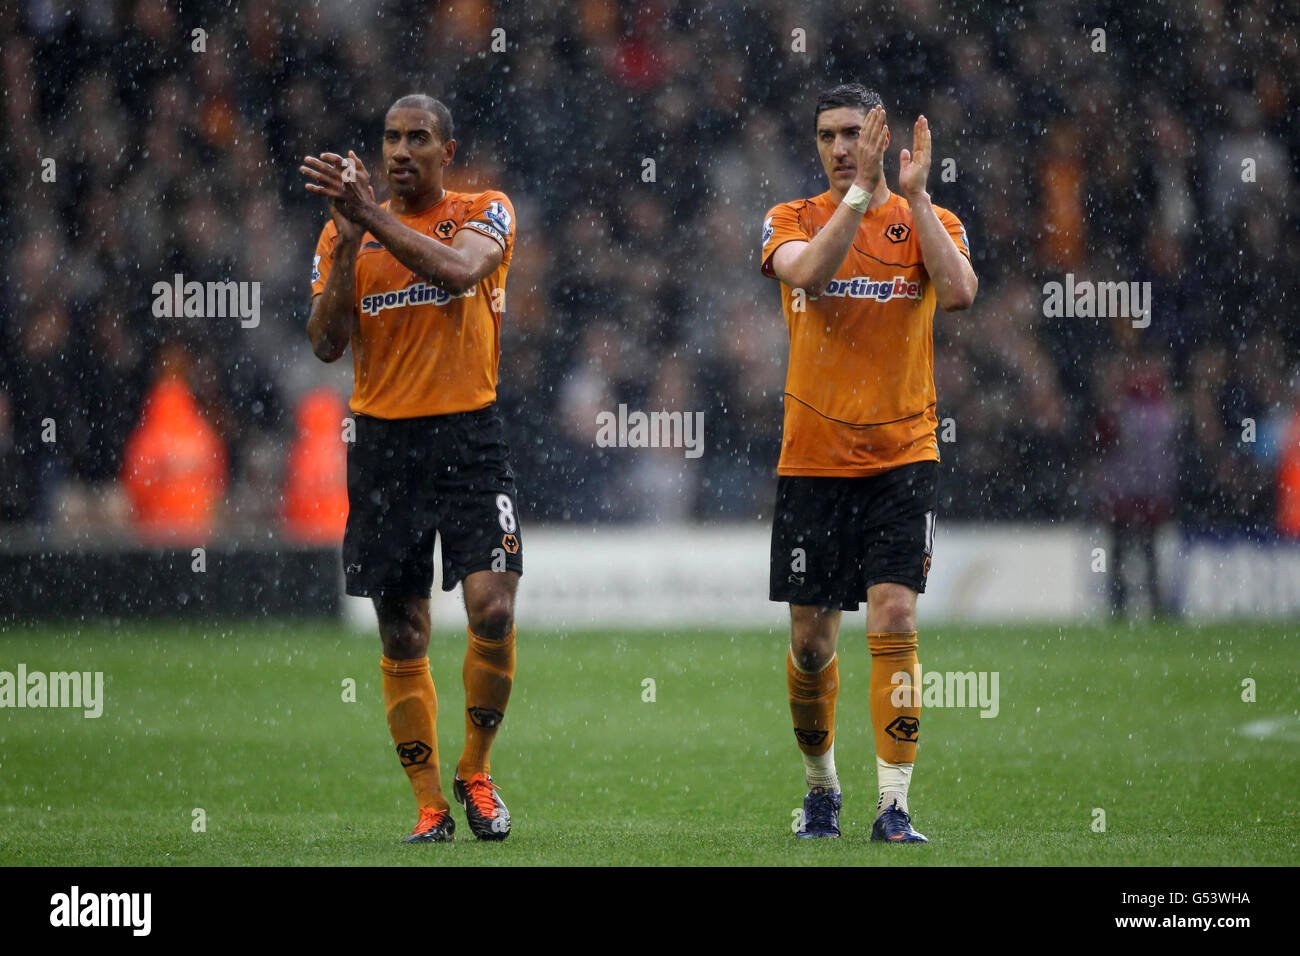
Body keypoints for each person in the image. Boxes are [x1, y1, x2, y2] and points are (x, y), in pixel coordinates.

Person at [300, 94, 521, 844]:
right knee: (404, 631)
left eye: (418, 138)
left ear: (446, 152)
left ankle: (477, 771)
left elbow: (460, 275)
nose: (401, 150)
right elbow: (325, 343)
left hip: (470, 435)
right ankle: (431, 806)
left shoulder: (486, 210)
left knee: (492, 606)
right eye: (391, 137)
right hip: (384, 445)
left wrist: (374, 220)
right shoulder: (344, 233)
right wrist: (347, 244)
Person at [760, 83, 977, 843]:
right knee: (812, 645)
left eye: (854, 132)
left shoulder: (928, 218)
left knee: (894, 613)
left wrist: (913, 201)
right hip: (813, 459)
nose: (841, 147)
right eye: (827, 135)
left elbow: (960, 292)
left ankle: (895, 806)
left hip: (902, 453)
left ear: (883, 137)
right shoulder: (793, 217)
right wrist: (858, 198)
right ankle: (822, 787)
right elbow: (810, 274)